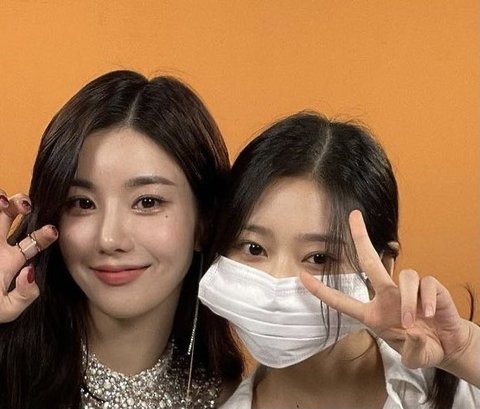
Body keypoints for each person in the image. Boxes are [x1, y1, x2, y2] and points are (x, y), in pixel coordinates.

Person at [198, 111, 480, 408]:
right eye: (254, 249)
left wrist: (464, 352)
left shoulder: (463, 387)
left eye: (318, 257)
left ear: (382, 265)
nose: (277, 281)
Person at [0, 70, 243, 409]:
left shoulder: (238, 399)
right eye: (83, 203)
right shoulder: (8, 372)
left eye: (148, 202)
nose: (109, 238)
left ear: (204, 223)